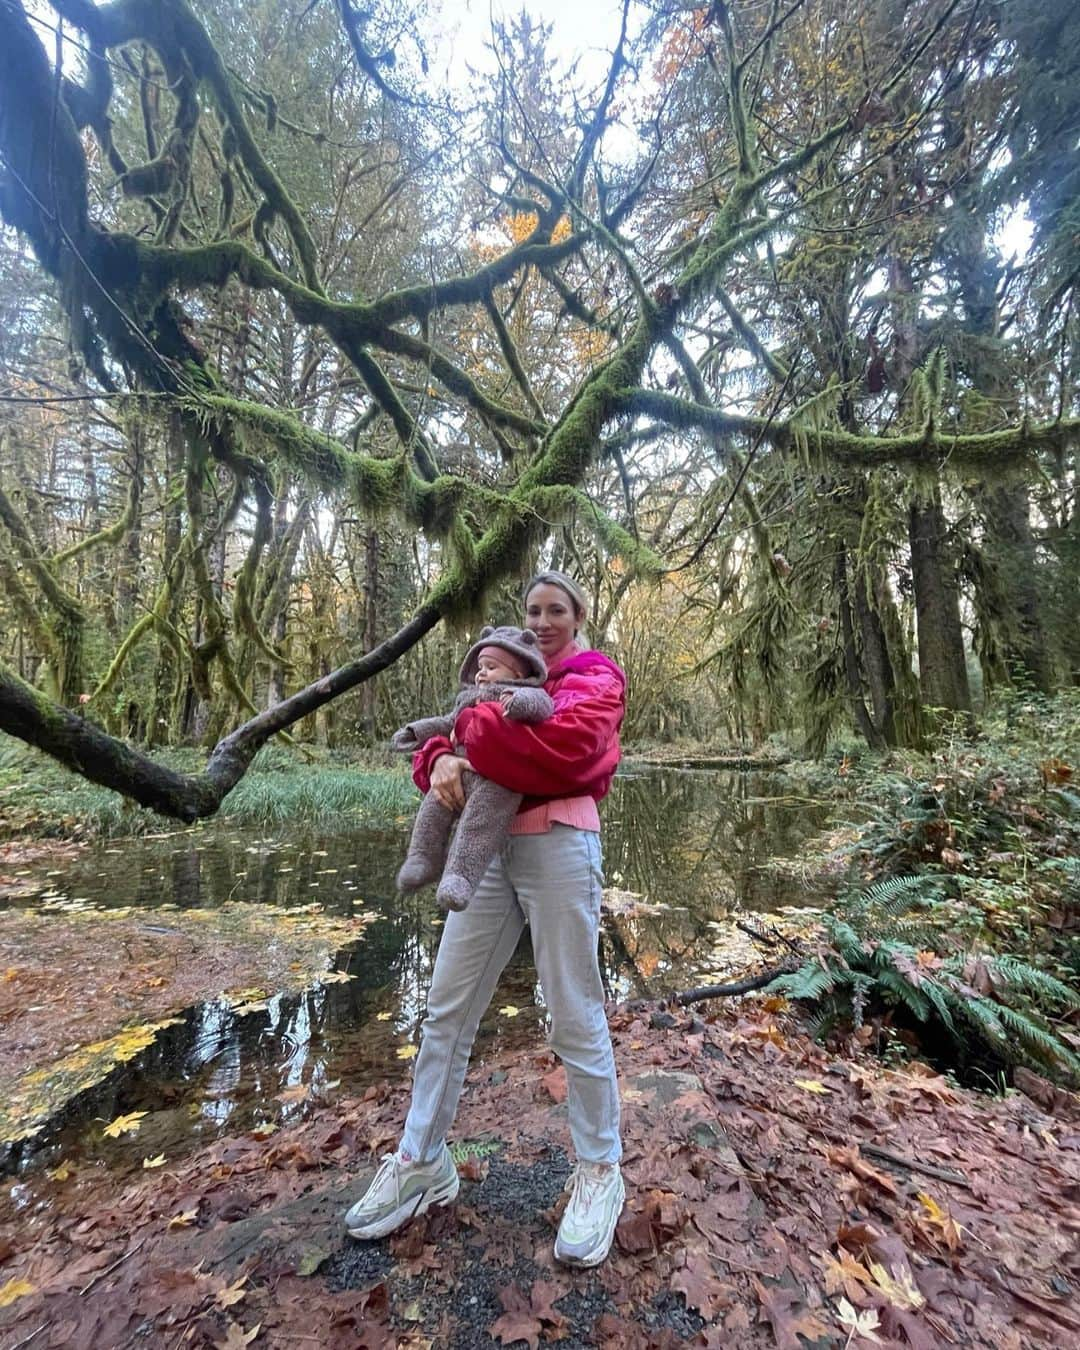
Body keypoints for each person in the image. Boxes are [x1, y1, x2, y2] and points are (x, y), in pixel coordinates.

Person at [344, 570, 627, 1267]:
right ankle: (421, 1159)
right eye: (531, 609)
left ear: (578, 615)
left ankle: (599, 1171)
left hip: (561, 842)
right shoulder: (501, 669)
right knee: (446, 1006)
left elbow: (561, 755)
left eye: (555, 610)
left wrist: (469, 731)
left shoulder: (595, 679)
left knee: (573, 1010)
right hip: (488, 856)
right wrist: (440, 754)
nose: (541, 621)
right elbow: (449, 757)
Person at [390, 625, 555, 912]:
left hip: (498, 781)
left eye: (491, 667)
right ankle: (423, 859)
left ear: (518, 673)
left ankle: (460, 877)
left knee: (479, 826)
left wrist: (518, 702)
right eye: (480, 667)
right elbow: (447, 722)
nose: (481, 673)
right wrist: (416, 732)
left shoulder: (527, 691)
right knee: (433, 807)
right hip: (461, 773)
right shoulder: (467, 698)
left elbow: (542, 707)